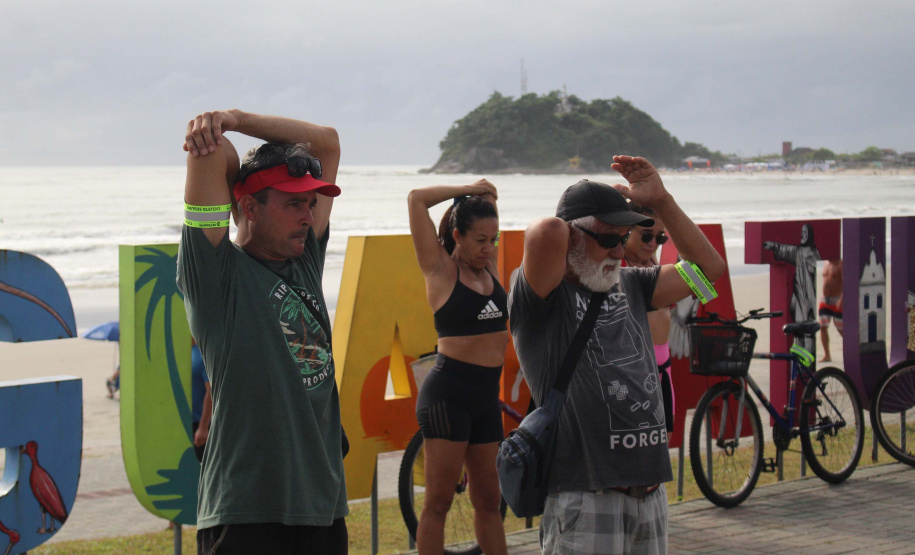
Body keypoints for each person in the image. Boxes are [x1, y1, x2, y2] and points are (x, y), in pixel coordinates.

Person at [508, 156, 724, 554]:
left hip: (650, 493)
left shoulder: (634, 283)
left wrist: (661, 201)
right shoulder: (540, 299)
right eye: (609, 239)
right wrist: (582, 213)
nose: (620, 251)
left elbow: (709, 269)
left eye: (624, 238)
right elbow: (546, 232)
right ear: (573, 237)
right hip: (587, 497)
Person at [177, 109, 347, 554]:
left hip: (323, 507)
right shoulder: (216, 276)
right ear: (249, 206)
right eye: (294, 204)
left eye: (310, 203)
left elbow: (327, 142)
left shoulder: (304, 261)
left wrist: (234, 118)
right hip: (247, 513)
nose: (308, 216)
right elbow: (213, 154)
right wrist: (219, 132)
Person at [407, 181, 508, 555]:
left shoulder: (489, 266)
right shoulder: (440, 270)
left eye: (493, 240)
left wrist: (482, 194)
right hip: (448, 398)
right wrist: (466, 188)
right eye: (480, 240)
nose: (488, 248)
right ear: (457, 236)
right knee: (439, 502)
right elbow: (417, 199)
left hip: (486, 400)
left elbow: (490, 197)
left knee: (490, 501)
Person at [623, 204, 674, 433]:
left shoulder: (652, 262)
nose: (652, 243)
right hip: (634, 369)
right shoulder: (618, 264)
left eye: (660, 238)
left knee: (665, 436)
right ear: (626, 230)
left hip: (664, 367)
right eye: (645, 236)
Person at [763, 224, 821, 357]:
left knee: (805, 323)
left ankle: (807, 355)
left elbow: (791, 251)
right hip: (799, 294)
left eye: (805, 233)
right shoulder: (802, 251)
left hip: (807, 295)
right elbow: (790, 250)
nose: (803, 235)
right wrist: (773, 245)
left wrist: (774, 246)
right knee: (797, 320)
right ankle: (801, 355)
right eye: (802, 232)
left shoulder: (810, 252)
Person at [191, 339, 212, 462]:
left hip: (200, 424)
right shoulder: (180, 354)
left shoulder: (202, 355)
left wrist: (203, 427)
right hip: (183, 422)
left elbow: (211, 391)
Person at [818, 259, 843, 362]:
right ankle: (827, 355)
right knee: (822, 327)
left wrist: (842, 298)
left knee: (841, 329)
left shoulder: (841, 264)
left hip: (837, 300)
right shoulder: (825, 263)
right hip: (825, 300)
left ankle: (853, 350)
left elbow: (847, 281)